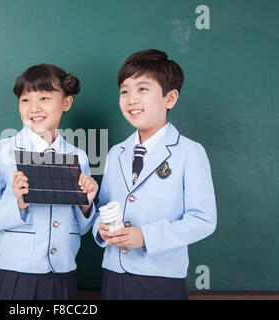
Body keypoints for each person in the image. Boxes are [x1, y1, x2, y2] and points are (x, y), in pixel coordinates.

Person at [92, 49, 217, 300]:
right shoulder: (117, 153)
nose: (131, 99)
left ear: (170, 98)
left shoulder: (189, 152)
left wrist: (145, 236)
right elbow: (103, 208)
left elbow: (203, 220)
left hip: (161, 280)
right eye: (124, 91)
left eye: (143, 89)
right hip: (113, 276)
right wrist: (101, 229)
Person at [0, 63, 98, 300]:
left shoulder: (77, 156)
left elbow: (81, 228)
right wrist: (17, 203)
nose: (34, 108)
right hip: (16, 276)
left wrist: (86, 204)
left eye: (45, 98)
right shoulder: (2, 151)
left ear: (66, 103)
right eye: (26, 99)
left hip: (64, 274)